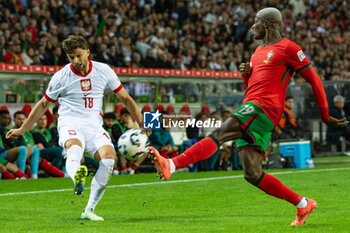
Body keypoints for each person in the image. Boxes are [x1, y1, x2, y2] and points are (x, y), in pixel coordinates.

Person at [148, 7, 348, 226]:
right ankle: (302, 203)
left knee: (220, 133)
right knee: (252, 174)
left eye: (256, 21)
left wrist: (325, 114)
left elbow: (315, 80)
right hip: (253, 106)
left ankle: (172, 164)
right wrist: (246, 76)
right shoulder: (257, 52)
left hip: (264, 107)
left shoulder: (289, 48)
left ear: (268, 24)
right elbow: (253, 87)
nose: (252, 26)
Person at [6, 35, 146, 221]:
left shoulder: (104, 70)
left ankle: (89, 209)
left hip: (94, 125)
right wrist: (22, 129)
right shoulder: (61, 76)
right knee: (75, 149)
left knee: (109, 159)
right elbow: (42, 105)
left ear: (88, 52)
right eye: (72, 57)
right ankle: (77, 178)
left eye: (79, 55)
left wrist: (145, 123)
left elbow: (126, 99)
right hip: (70, 122)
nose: (76, 60)